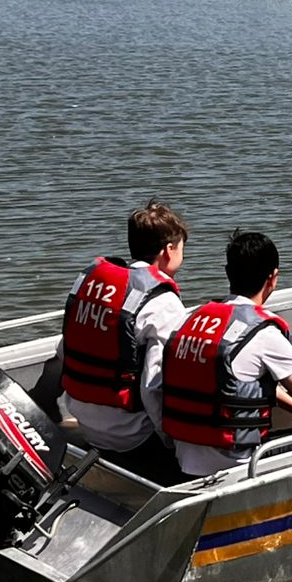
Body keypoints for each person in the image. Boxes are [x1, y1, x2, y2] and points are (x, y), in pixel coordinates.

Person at [158, 230, 292, 478]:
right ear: (273, 278)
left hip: (185, 458)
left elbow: (231, 380)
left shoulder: (192, 320)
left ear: (227, 272)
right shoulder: (264, 334)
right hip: (237, 466)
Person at [54, 200, 190, 484]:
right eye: (182, 248)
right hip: (132, 435)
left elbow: (63, 351)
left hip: (86, 423)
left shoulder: (95, 284)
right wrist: (170, 441)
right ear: (169, 250)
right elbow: (153, 385)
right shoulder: (162, 301)